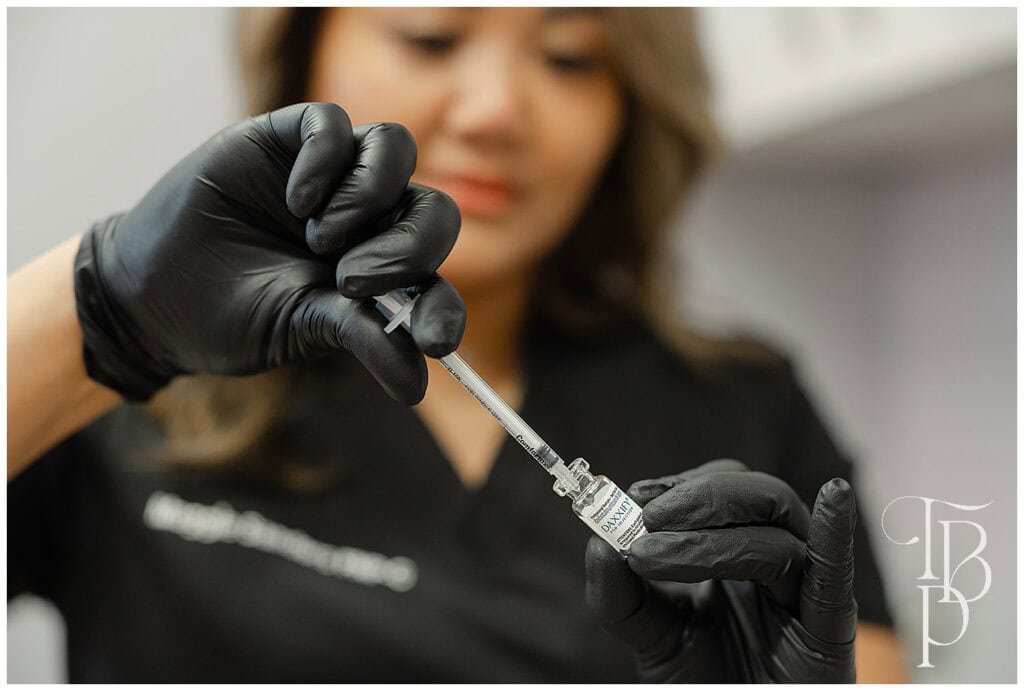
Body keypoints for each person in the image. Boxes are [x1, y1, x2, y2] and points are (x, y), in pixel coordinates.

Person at [8, 7, 909, 682]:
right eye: (431, 36)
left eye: (568, 57)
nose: (495, 112)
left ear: (629, 101)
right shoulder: (110, 382)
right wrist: (96, 309)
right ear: (304, 52)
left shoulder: (744, 402)